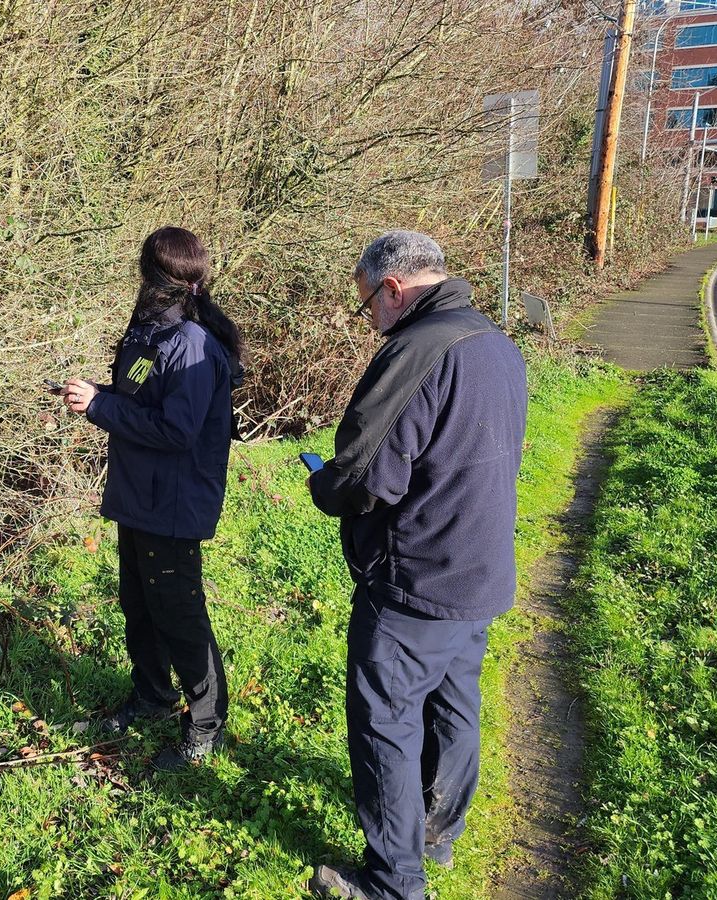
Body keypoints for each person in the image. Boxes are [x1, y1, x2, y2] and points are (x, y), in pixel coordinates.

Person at [306, 231, 528, 899]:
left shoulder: (415, 352)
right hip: (479, 565)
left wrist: (324, 485)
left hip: (416, 577)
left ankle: (393, 883)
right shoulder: (495, 342)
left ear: (394, 289)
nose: (369, 318)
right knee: (454, 706)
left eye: (367, 303)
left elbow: (368, 475)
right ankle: (437, 836)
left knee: (386, 723)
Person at [59, 225, 243, 771]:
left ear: (151, 276)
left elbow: (177, 430)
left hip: (173, 506)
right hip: (138, 498)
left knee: (180, 617)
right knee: (139, 606)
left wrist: (101, 408)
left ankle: (206, 725)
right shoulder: (149, 335)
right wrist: (99, 397)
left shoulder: (190, 343)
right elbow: (143, 400)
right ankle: (151, 698)